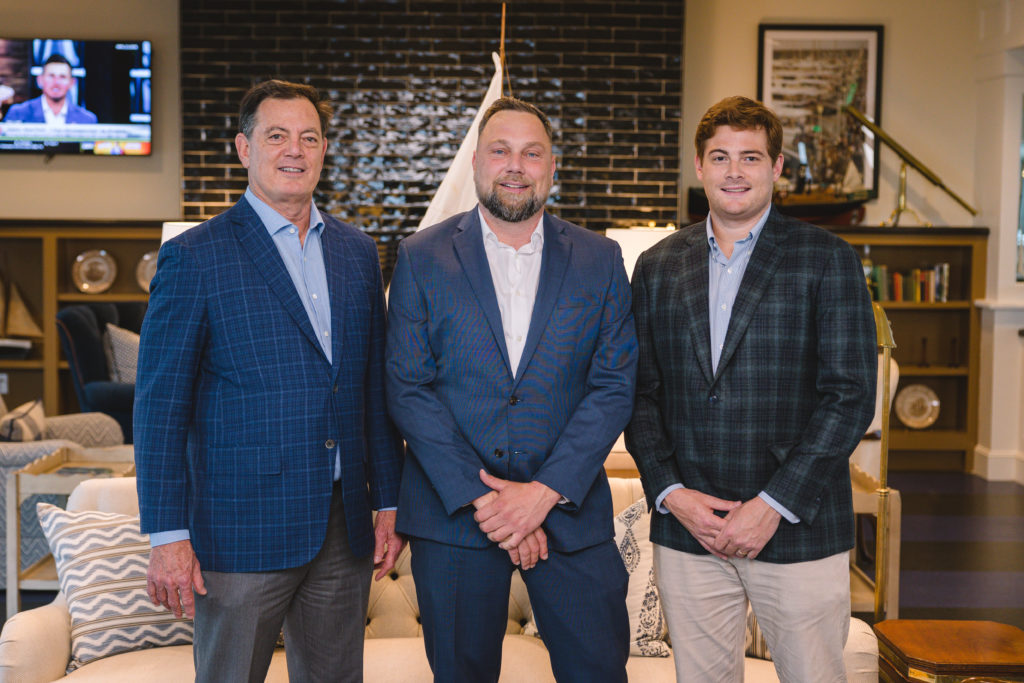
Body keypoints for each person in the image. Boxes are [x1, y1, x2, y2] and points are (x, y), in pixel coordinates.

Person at [134, 79, 403, 683]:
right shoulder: (196, 256)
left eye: (309, 137)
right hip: (238, 530)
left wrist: (388, 498)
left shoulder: (358, 253)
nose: (294, 150)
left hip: (344, 530)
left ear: (324, 151)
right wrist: (168, 535)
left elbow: (371, 393)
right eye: (276, 135)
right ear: (243, 148)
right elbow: (159, 407)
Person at [625, 95, 876, 682]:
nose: (734, 171)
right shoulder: (657, 265)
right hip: (691, 529)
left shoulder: (828, 259)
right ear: (699, 166)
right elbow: (639, 393)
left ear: (777, 167)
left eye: (751, 157)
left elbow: (850, 396)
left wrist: (772, 504)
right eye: (720, 157)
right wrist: (671, 493)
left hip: (795, 525)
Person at [386, 96, 637, 682]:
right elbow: (408, 388)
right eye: (500, 151)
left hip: (570, 513)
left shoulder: (600, 260)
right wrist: (493, 505)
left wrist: (542, 494)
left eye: (532, 153)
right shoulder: (421, 257)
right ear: (477, 162)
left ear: (553, 167)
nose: (515, 165)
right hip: (455, 518)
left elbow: (613, 385)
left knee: (599, 672)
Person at [3, 53, 98, 124]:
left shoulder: (87, 119)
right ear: (40, 80)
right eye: (51, 76)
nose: (56, 83)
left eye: (62, 77)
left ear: (72, 82)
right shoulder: (18, 113)